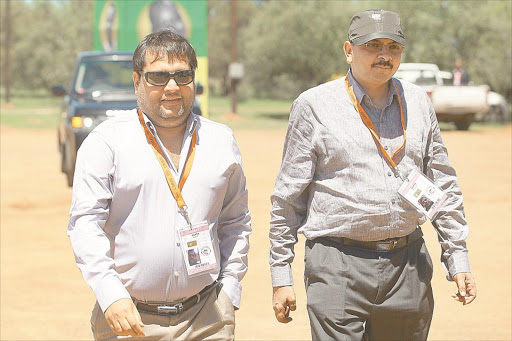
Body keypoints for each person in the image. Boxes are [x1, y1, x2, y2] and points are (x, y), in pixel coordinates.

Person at [269, 9, 476, 341]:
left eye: (393, 47)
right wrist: (281, 276)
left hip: (408, 268)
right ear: (349, 51)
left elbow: (441, 182)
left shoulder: (419, 102)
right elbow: (288, 197)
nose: (385, 55)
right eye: (373, 46)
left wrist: (458, 256)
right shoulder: (313, 106)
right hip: (337, 266)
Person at [68, 29, 251, 340]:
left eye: (183, 75)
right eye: (158, 77)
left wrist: (229, 289)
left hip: (206, 318)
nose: (172, 87)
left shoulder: (221, 140)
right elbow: (85, 224)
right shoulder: (107, 141)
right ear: (137, 80)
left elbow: (236, 221)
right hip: (128, 321)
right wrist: (109, 293)